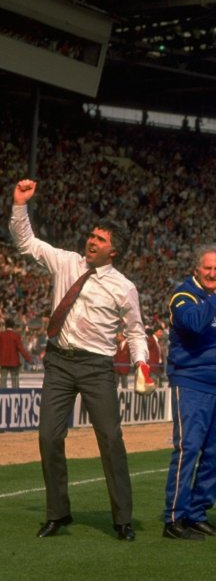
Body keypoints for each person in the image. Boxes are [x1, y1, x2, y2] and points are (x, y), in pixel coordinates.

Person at [10, 179, 150, 541]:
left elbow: (136, 332)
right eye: (92, 235)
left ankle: (123, 519)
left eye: (101, 239)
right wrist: (20, 205)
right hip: (58, 362)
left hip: (96, 368)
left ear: (113, 251)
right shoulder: (66, 261)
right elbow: (25, 242)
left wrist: (141, 364)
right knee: (48, 436)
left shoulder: (124, 287)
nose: (92, 240)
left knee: (109, 438)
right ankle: (58, 513)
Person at [163, 244, 216, 540]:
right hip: (192, 382)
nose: (212, 273)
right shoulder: (183, 295)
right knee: (188, 450)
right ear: (196, 270)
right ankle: (174, 519)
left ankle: (197, 513)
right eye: (207, 268)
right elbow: (195, 325)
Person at [0, 317, 31, 389]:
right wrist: (28, 359)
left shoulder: (1, 335)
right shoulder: (16, 336)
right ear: (13, 326)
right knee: (15, 380)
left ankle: (3, 396)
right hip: (14, 361)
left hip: (3, 361)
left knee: (3, 380)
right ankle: (16, 396)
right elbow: (21, 349)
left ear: (5, 325)